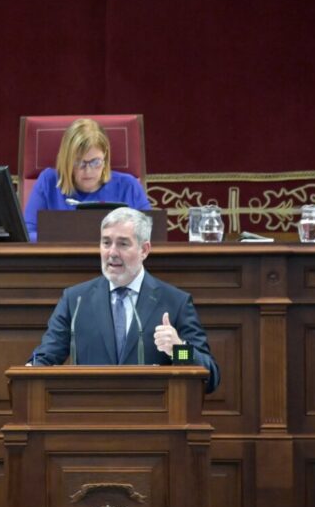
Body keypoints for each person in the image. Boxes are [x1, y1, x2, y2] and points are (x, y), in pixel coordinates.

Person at [29, 207, 220, 393]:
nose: (112, 252)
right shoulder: (76, 300)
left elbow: (210, 376)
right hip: (89, 414)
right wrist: (30, 368)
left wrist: (178, 349)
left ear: (144, 250)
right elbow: (46, 357)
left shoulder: (175, 302)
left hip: (153, 417)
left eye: (122, 244)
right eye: (106, 243)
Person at [23, 118, 151, 242]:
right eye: (79, 162)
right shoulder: (48, 182)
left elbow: (150, 235)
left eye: (95, 162)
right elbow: (27, 234)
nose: (88, 171)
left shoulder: (128, 186)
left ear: (105, 157)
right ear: (67, 160)